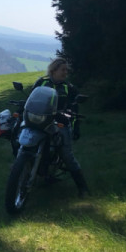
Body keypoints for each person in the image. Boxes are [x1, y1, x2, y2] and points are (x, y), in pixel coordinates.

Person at [34, 57, 90, 197]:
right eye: (62, 69)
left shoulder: (69, 88)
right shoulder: (42, 82)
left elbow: (75, 110)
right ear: (53, 70)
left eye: (66, 70)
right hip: (41, 120)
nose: (65, 72)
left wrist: (76, 127)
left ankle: (82, 187)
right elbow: (32, 99)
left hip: (61, 123)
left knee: (66, 155)